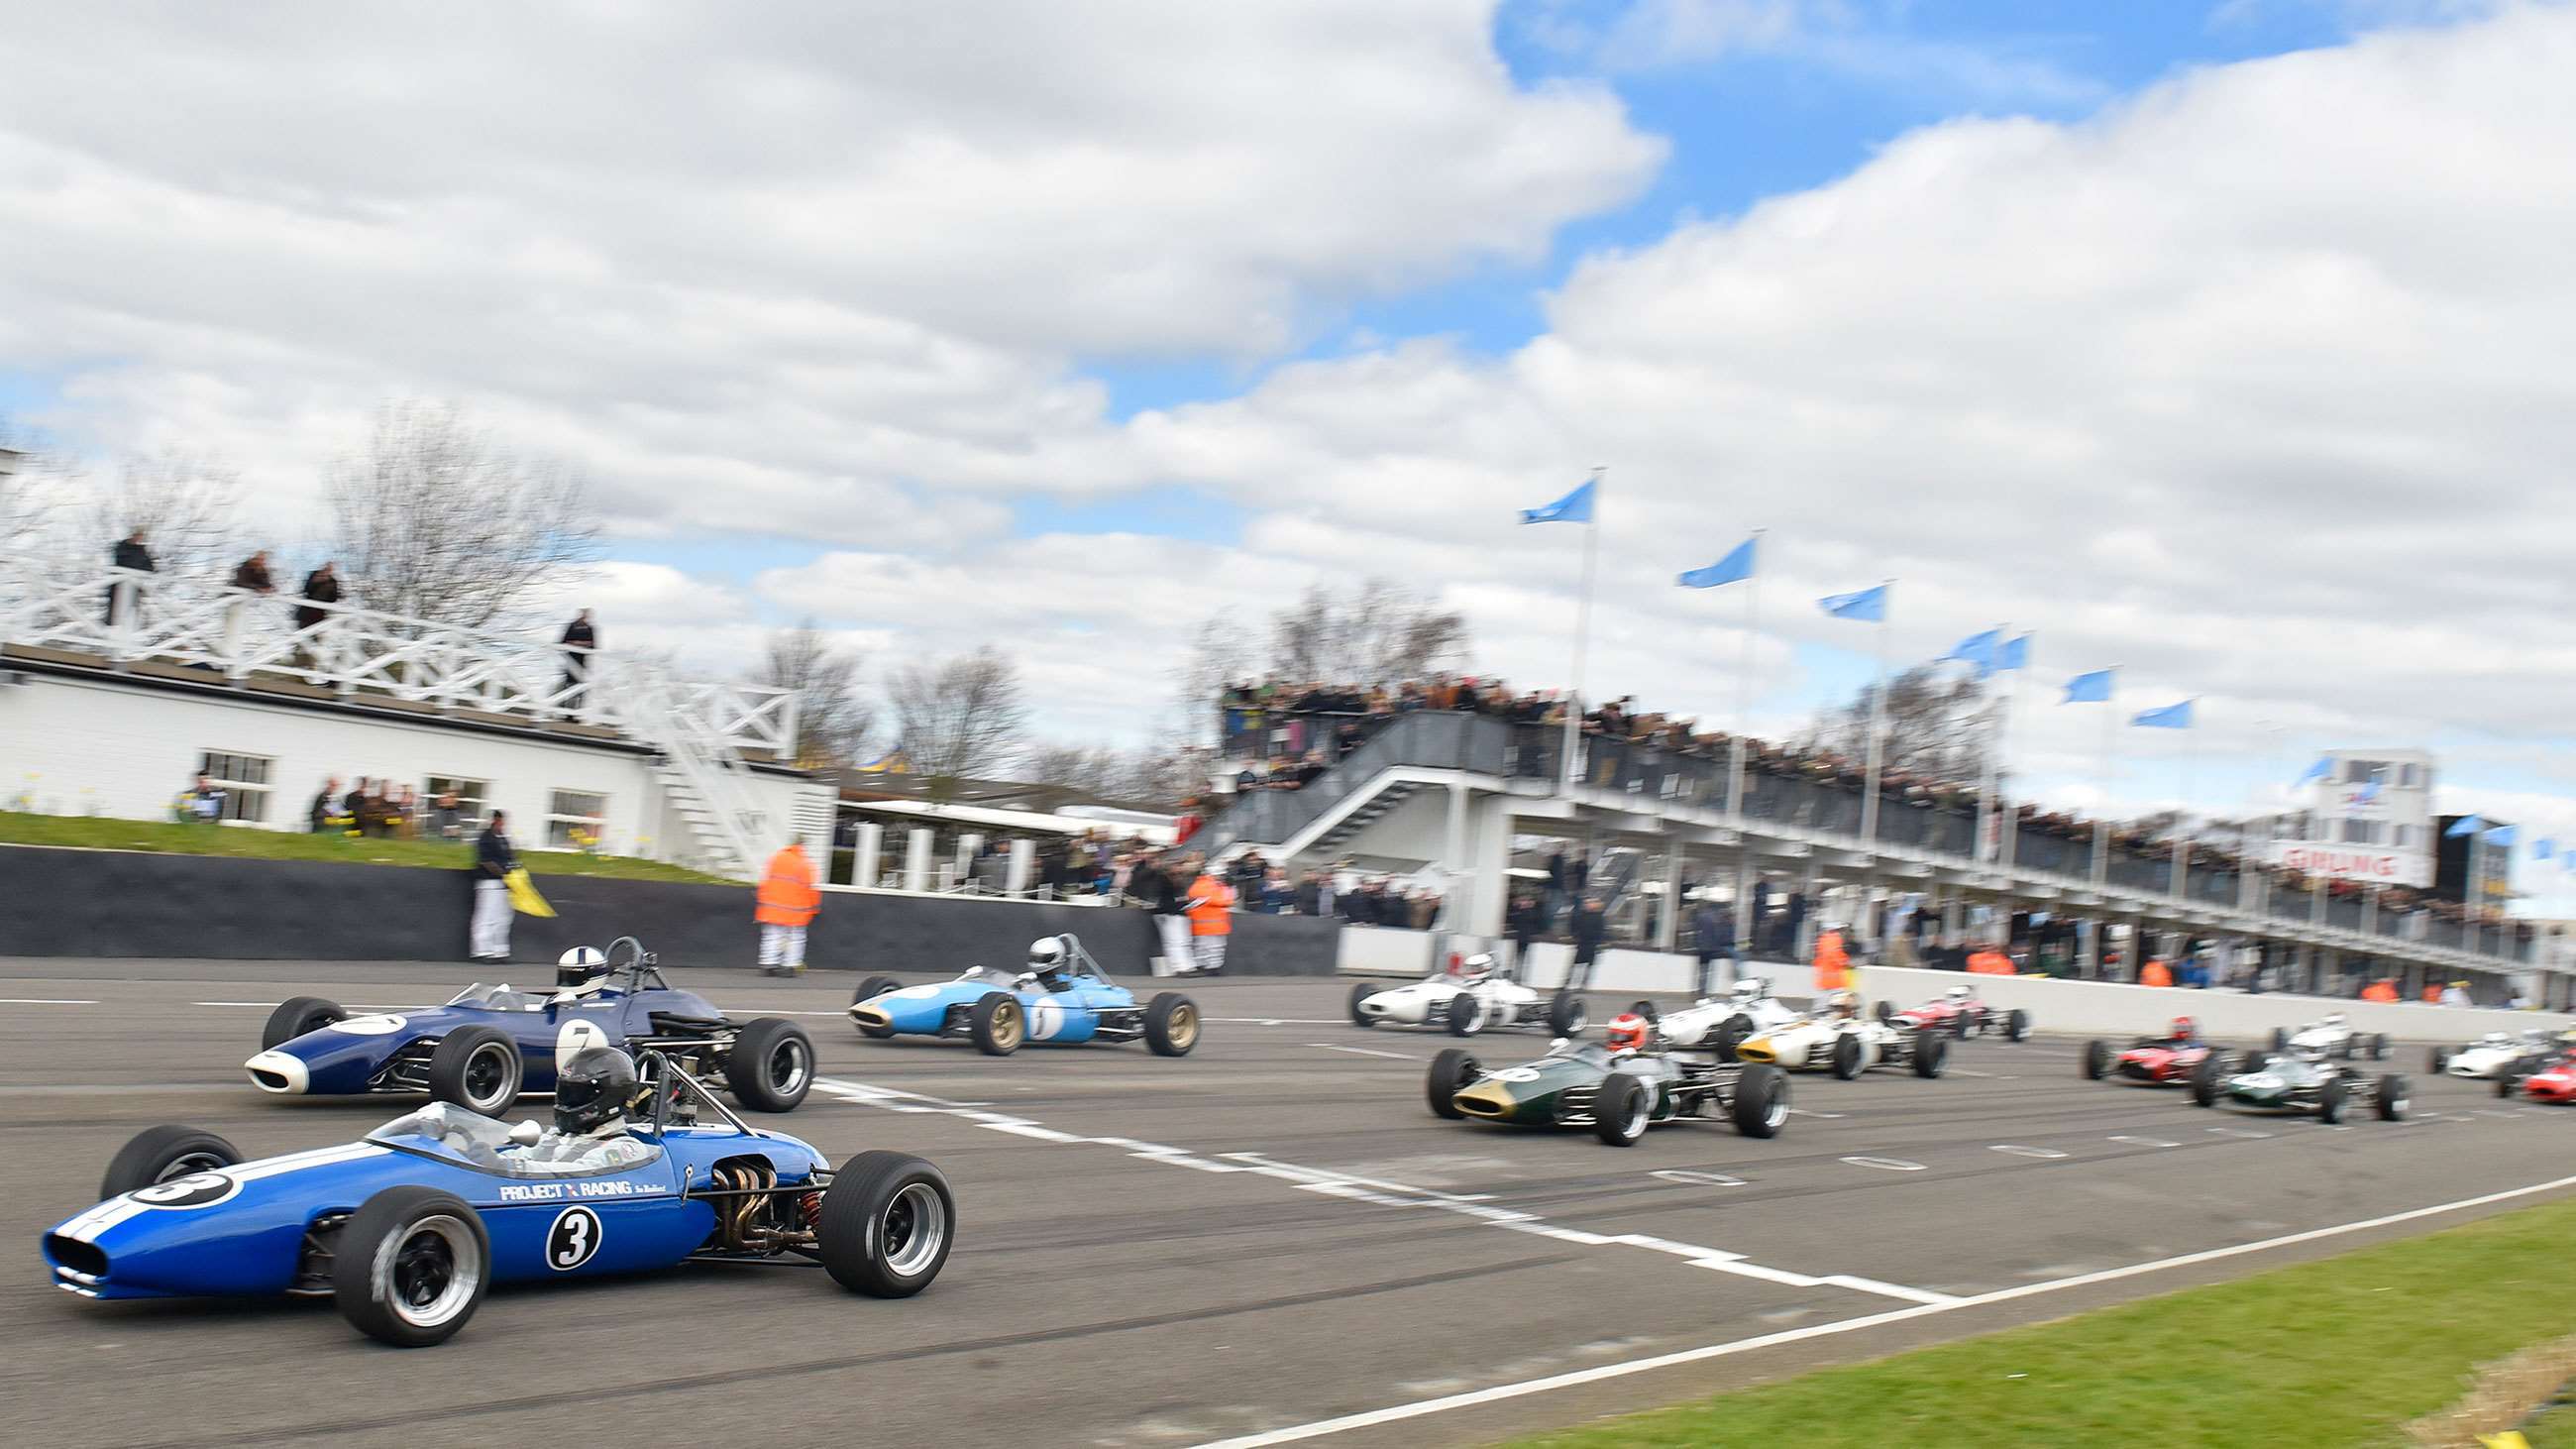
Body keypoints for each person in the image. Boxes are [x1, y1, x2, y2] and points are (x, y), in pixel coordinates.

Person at [756, 838, 821, 976]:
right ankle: (789, 966)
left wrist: (762, 904)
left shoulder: (776, 859)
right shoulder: (804, 864)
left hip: (772, 908)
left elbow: (764, 883)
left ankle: (768, 964)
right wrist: (814, 909)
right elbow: (811, 890)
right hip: (795, 911)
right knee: (795, 938)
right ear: (802, 848)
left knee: (772, 935)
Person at [470, 810, 518, 963]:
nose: (500, 824)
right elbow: (486, 861)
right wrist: (503, 872)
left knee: (503, 918)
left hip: (504, 883)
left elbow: (510, 858)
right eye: (498, 821)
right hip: (489, 882)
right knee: (486, 917)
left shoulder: (503, 839)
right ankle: (482, 950)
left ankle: (499, 951)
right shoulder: (486, 838)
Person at [1185, 865, 1236, 975]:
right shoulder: (1202, 885)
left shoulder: (1219, 886)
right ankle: (1206, 967)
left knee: (1214, 947)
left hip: (1215, 923)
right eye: (1220, 875)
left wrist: (1229, 889)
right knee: (1205, 946)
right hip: (1206, 923)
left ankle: (1212, 967)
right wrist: (1225, 896)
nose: (1221, 877)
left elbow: (1229, 900)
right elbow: (1220, 900)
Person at [106, 529, 155, 623]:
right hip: (118, 583)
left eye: (141, 536)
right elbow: (122, 560)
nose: (138, 538)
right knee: (114, 609)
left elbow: (150, 568)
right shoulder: (122, 546)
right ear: (133, 535)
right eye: (137, 535)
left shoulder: (141, 550)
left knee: (131, 611)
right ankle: (110, 628)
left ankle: (126, 629)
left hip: (134, 585)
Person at [1691, 895, 1734, 998]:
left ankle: (1700, 991)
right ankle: (1707, 992)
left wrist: (1697, 943)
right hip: (1713, 948)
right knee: (1711, 972)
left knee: (1702, 971)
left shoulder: (1702, 916)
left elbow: (1696, 930)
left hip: (1702, 947)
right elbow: (1720, 934)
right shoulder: (1718, 918)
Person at [560, 609, 597, 712]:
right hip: (570, 660)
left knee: (580, 687)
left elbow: (594, 645)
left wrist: (577, 643)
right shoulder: (571, 626)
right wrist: (580, 644)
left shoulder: (590, 629)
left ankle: (577, 712)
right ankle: (565, 711)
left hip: (583, 662)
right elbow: (562, 642)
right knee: (568, 685)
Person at [1567, 894, 1607, 989]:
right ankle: (1568, 983)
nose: (1587, 904)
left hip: (1592, 944)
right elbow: (1576, 927)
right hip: (1582, 943)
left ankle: (1583, 984)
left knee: (1588, 966)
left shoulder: (1599, 917)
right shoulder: (1582, 915)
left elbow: (1600, 931)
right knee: (1575, 964)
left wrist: (1599, 943)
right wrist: (1575, 935)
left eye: (1590, 903)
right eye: (1587, 903)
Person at [1812, 925, 1851, 993]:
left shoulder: (1822, 940)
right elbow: (1835, 956)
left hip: (1824, 979)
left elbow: (1818, 959)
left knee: (1823, 1000)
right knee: (1839, 999)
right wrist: (1845, 961)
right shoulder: (1835, 939)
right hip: (1834, 980)